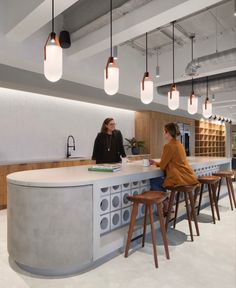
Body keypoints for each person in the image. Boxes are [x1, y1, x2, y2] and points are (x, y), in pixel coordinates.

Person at [150, 122, 199, 212]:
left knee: (154, 181)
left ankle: (166, 203)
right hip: (187, 175)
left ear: (167, 132)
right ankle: (168, 203)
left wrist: (155, 163)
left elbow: (163, 165)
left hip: (178, 177)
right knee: (159, 180)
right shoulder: (180, 144)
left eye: (164, 131)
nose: (163, 133)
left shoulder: (168, 146)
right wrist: (157, 163)